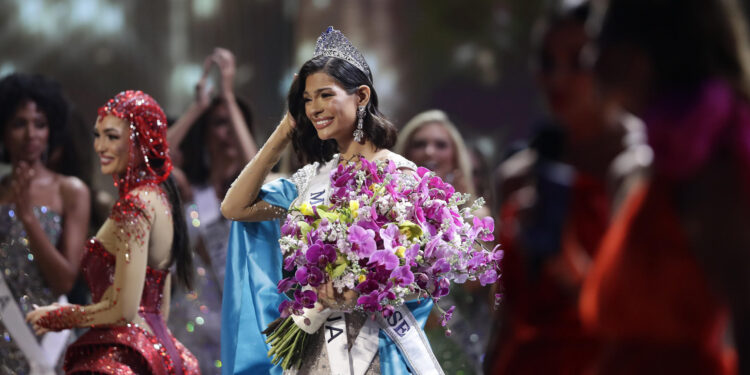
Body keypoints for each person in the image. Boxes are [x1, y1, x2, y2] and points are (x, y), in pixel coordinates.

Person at [220, 27, 441, 374]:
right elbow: (235, 208)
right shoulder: (312, 180)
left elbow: (424, 280)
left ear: (362, 96)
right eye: (307, 99)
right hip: (317, 351)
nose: (314, 108)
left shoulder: (401, 175)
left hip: (380, 351)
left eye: (325, 95)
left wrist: (359, 291)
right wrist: (283, 132)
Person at [579, 0, 750, 373]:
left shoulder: (713, 172)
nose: (588, 63)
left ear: (633, 58)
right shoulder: (640, 171)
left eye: (594, 45)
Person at [484, 2, 651, 374]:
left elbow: (650, 317)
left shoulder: (645, 162)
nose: (557, 78)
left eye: (579, 60)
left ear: (610, 62)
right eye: (546, 61)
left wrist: (569, 264)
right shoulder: (516, 174)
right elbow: (507, 313)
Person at [26, 90, 200, 374]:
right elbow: (160, 307)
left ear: (141, 139)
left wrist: (59, 316)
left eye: (112, 136)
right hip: (160, 349)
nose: (100, 147)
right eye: (97, 136)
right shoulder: (159, 198)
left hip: (123, 358)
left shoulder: (134, 207)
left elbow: (123, 310)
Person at [166, 48, 258, 375]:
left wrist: (229, 96)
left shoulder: (261, 196)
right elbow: (150, 162)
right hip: (190, 335)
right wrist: (196, 110)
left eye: (236, 123)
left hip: (246, 333)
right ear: (204, 134)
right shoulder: (190, 190)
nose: (230, 132)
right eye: (220, 123)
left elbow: (258, 170)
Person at [0, 73, 91, 374]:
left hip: (47, 346)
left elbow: (65, 280)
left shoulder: (70, 191)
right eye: (18, 124)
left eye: (39, 124)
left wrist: (27, 217)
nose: (31, 135)